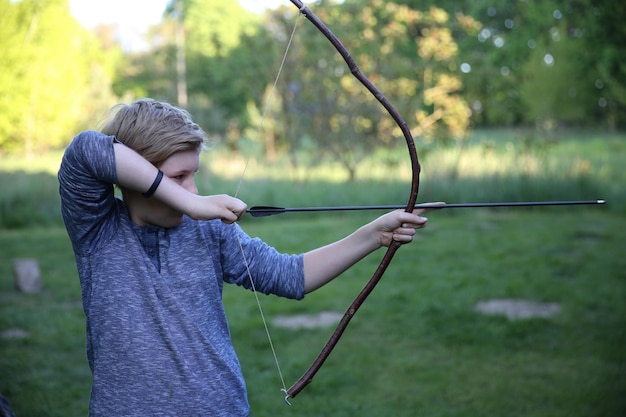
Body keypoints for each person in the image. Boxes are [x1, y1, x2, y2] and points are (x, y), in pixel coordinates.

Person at [58, 98, 432, 416]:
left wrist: (372, 235)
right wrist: (192, 203)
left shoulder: (209, 230)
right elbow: (87, 149)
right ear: (134, 176)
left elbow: (291, 276)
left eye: (194, 175)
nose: (194, 189)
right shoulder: (98, 230)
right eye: (178, 177)